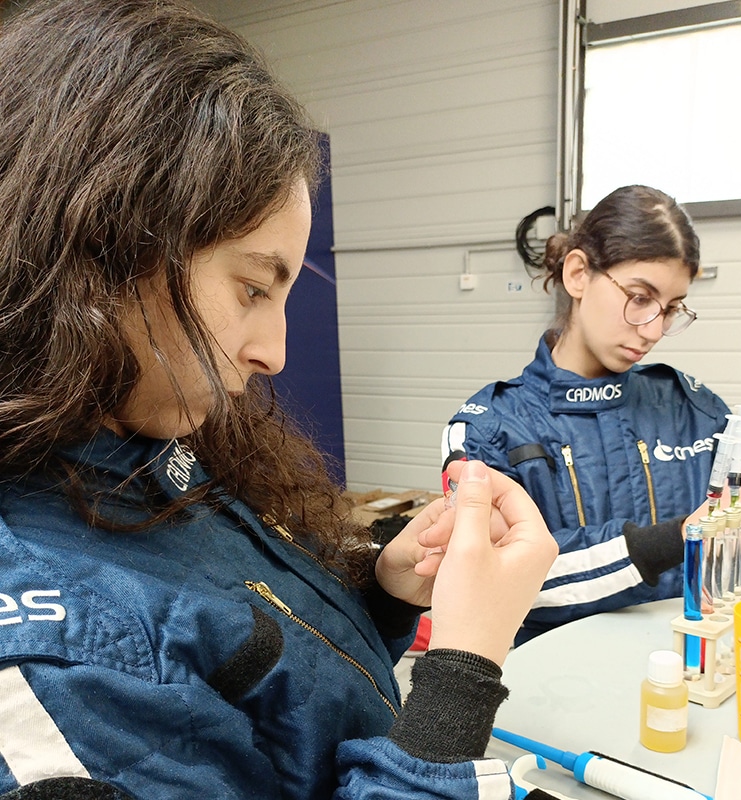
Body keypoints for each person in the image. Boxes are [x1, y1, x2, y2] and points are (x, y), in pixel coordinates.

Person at [0, 2, 558, 798]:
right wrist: (461, 674)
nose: (275, 351)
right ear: (99, 249)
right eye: (253, 288)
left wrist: (381, 588)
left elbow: (255, 662)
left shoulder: (135, 440)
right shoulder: (45, 664)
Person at [442, 184, 741, 644]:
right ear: (577, 273)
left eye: (671, 309)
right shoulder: (489, 428)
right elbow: (495, 583)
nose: (653, 329)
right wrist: (678, 537)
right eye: (639, 298)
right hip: (552, 685)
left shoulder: (695, 408)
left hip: (690, 675)